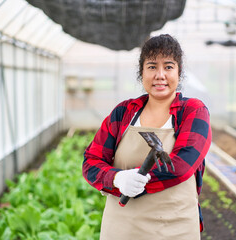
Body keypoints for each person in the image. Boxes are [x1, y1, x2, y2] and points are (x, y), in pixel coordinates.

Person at [82, 34, 212, 239]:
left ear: (179, 73)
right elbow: (91, 161)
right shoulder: (124, 112)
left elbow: (181, 166)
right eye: (152, 66)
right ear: (141, 73)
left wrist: (140, 178)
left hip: (175, 229)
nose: (160, 75)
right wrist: (117, 178)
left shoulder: (192, 111)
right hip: (122, 228)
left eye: (168, 67)